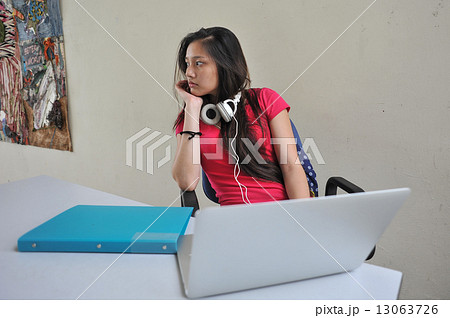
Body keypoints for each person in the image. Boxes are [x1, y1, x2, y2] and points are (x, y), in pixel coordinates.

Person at [172, 27, 313, 206]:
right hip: (233, 220)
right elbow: (187, 182)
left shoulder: (264, 100)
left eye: (199, 63)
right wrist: (192, 107)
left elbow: (291, 167)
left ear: (225, 64)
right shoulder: (190, 121)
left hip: (282, 213)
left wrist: (301, 218)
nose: (189, 73)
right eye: (187, 63)